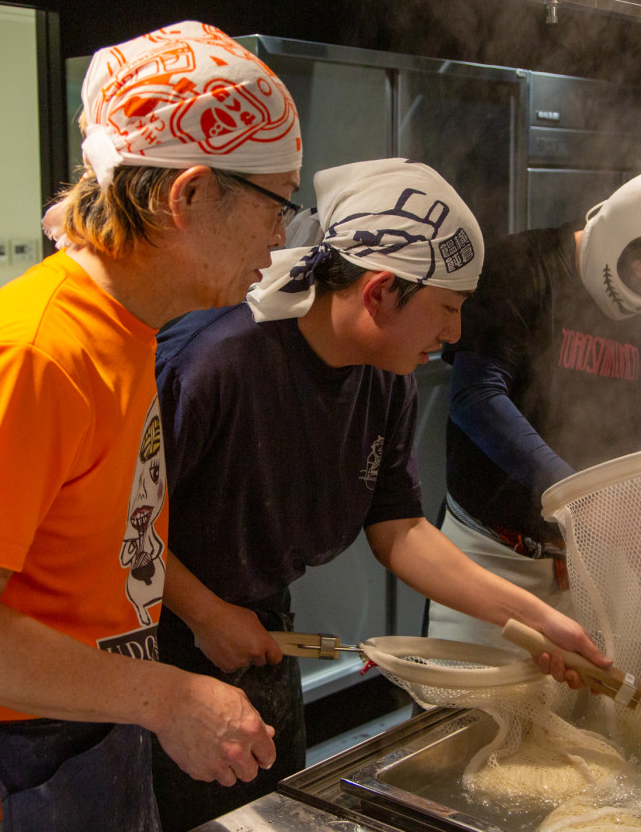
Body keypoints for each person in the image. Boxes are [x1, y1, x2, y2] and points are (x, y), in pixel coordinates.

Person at [0, 21, 305, 832]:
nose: (282, 239)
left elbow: (105, 542)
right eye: (279, 205)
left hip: (79, 748)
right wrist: (167, 697)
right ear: (189, 195)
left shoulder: (128, 332)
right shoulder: (36, 353)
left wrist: (192, 630)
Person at [151, 157, 612, 832]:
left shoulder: (384, 377)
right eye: (447, 309)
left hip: (259, 631)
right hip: (153, 642)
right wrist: (205, 614)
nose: (454, 335)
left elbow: (398, 528)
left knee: (270, 817)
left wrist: (537, 619)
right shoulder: (213, 363)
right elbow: (115, 526)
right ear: (379, 292)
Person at [426, 164, 641, 651]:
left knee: (586, 698)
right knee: (472, 698)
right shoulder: (520, 266)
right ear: (616, 224)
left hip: (593, 564)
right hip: (493, 557)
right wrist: (583, 498)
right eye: (637, 271)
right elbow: (476, 398)